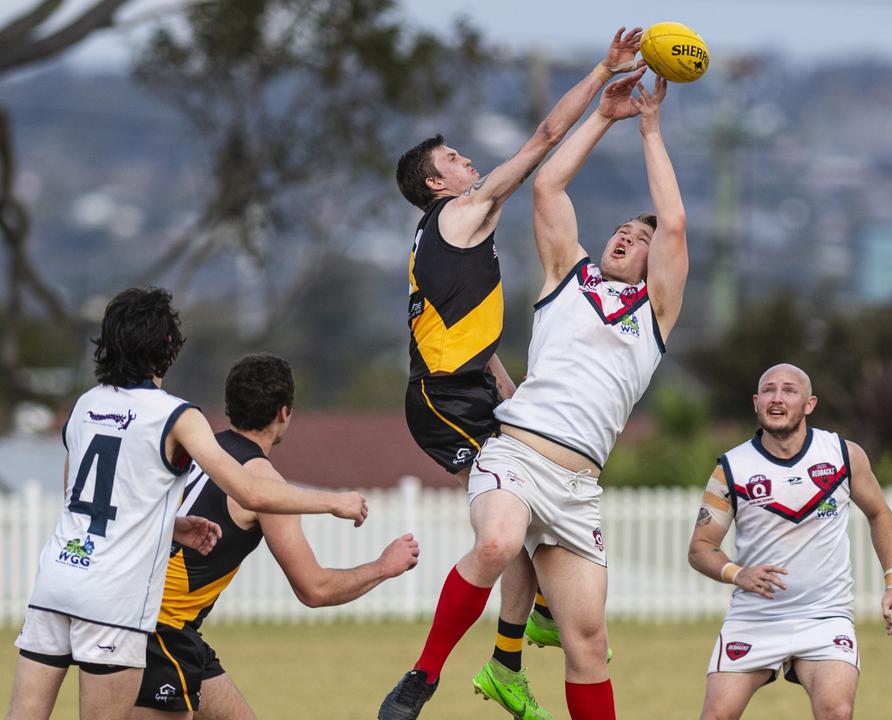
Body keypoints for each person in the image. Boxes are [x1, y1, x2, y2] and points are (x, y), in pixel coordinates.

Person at [378, 66, 687, 720]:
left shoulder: (655, 313)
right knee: (495, 543)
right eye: (624, 231)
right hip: (514, 452)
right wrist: (603, 116)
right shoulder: (565, 276)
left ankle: (508, 660)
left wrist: (652, 130)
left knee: (590, 647)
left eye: (642, 240)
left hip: (577, 490)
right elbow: (548, 181)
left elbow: (677, 227)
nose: (629, 237)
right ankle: (423, 677)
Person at [6, 287, 367, 720]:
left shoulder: (85, 406)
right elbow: (249, 491)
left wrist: (170, 526)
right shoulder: (176, 415)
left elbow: (82, 503)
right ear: (167, 347)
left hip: (58, 579)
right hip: (113, 598)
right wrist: (332, 502)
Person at [131, 353, 420, 719]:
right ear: (284, 412)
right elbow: (315, 589)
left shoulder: (195, 447)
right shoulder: (265, 485)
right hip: (158, 628)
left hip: (159, 622)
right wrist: (383, 566)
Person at [688, 364, 892, 720]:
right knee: (716, 716)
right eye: (769, 391)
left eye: (789, 390)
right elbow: (700, 548)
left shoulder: (842, 454)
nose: (777, 398)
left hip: (824, 616)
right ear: (756, 402)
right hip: (755, 617)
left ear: (809, 404)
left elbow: (879, 513)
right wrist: (736, 573)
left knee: (837, 711)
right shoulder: (731, 468)